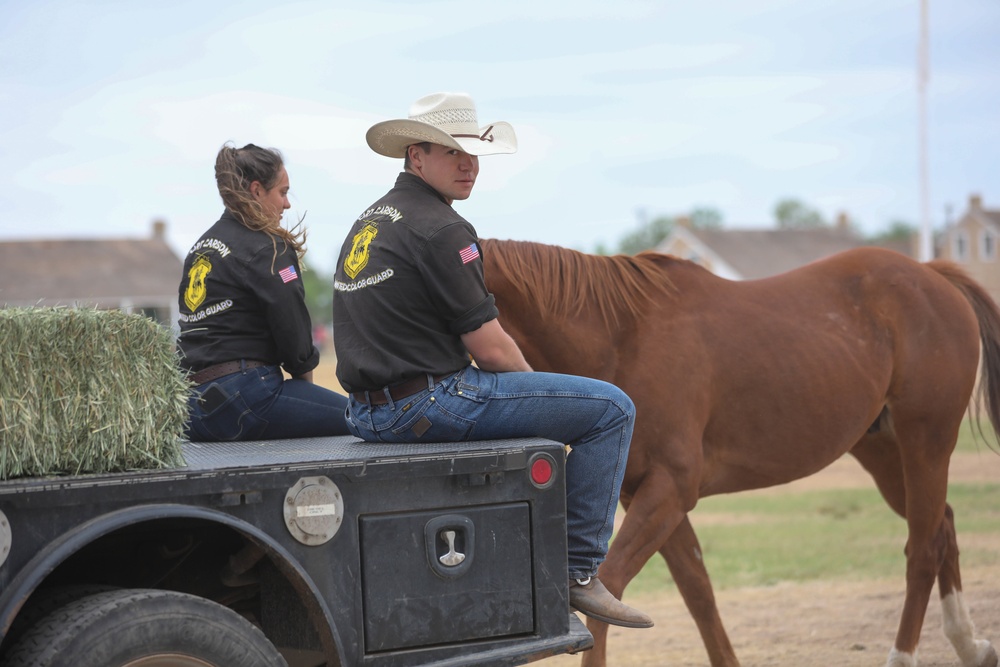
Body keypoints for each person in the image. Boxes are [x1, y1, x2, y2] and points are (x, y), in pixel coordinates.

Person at [331, 93, 653, 629]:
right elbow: (490, 347)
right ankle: (577, 572)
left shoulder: (371, 221)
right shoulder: (443, 228)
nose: (468, 165)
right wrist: (541, 402)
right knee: (611, 409)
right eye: (452, 152)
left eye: (474, 154)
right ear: (416, 155)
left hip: (365, 413)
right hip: (429, 403)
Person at [177, 142, 350, 442]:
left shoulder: (199, 249)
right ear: (257, 191)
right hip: (245, 398)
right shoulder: (269, 247)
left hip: (190, 410)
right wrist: (304, 388)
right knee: (359, 419)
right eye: (282, 193)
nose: (287, 205)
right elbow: (293, 329)